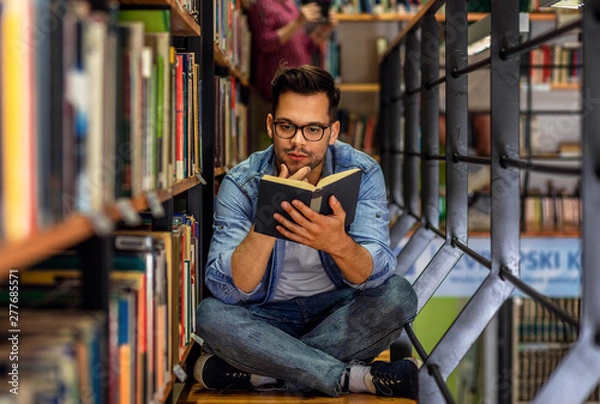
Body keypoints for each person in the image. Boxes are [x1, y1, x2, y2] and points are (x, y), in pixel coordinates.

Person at [193, 65, 419, 399]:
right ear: (271, 126)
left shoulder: (362, 171)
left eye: (313, 129)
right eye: (287, 126)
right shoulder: (241, 182)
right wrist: (265, 224)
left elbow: (377, 272)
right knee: (210, 316)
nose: (298, 141)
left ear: (333, 131)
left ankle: (264, 372)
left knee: (399, 296)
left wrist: (338, 243)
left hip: (336, 311)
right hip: (265, 316)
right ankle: (349, 377)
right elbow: (227, 289)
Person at [247, 0, 336, 102]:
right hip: (278, 86)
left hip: (300, 85)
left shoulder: (290, 5)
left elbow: (305, 46)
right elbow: (264, 43)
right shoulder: (261, 4)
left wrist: (323, 30)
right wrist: (297, 23)